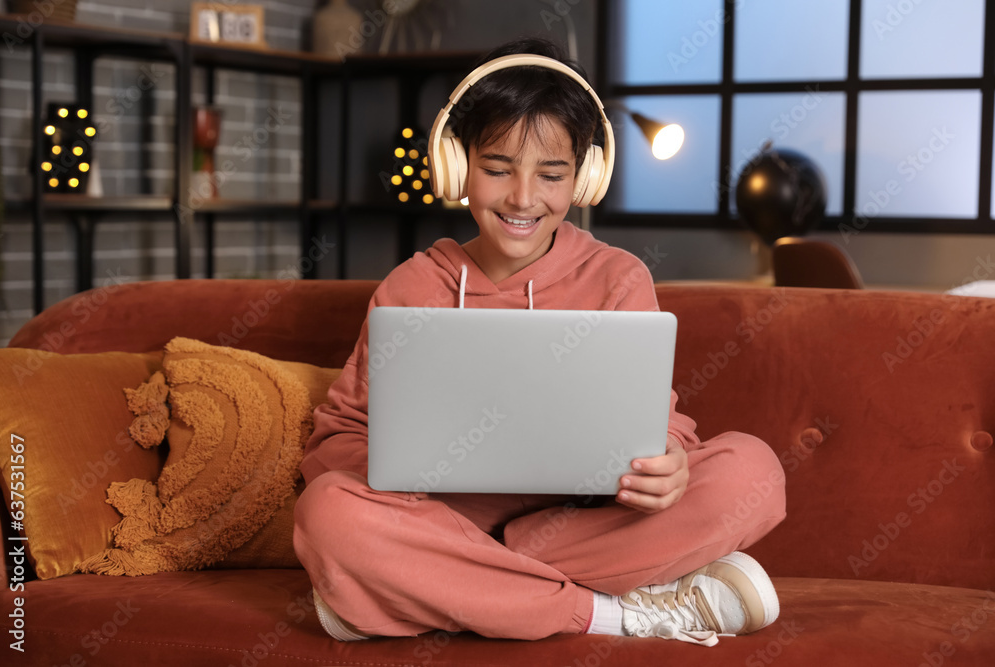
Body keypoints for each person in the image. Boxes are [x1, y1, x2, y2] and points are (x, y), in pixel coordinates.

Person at [293, 36, 786, 647]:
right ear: (456, 165)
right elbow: (337, 437)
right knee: (328, 514)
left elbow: (661, 425)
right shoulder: (412, 284)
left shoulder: (619, 277)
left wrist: (669, 461)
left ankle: (437, 584)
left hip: (588, 523)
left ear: (585, 177)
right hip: (441, 520)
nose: (523, 198)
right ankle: (613, 614)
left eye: (551, 174)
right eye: (497, 169)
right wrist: (395, 476)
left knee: (755, 474)